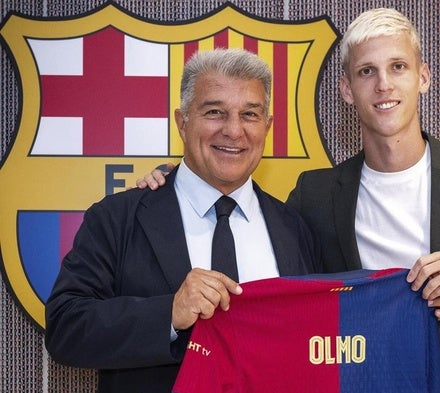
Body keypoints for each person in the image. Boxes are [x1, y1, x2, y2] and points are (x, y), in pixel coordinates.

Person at [138, 9, 440, 393]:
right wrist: (176, 181)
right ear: (346, 89)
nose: (383, 85)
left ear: (424, 77)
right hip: (355, 381)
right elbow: (279, 277)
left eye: (398, 67)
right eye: (366, 71)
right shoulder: (316, 193)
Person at [45, 48, 320, 393]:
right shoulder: (116, 219)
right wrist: (169, 314)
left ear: (267, 127)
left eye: (250, 114)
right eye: (215, 112)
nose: (234, 131)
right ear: (182, 121)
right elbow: (65, 327)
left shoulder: (294, 227)